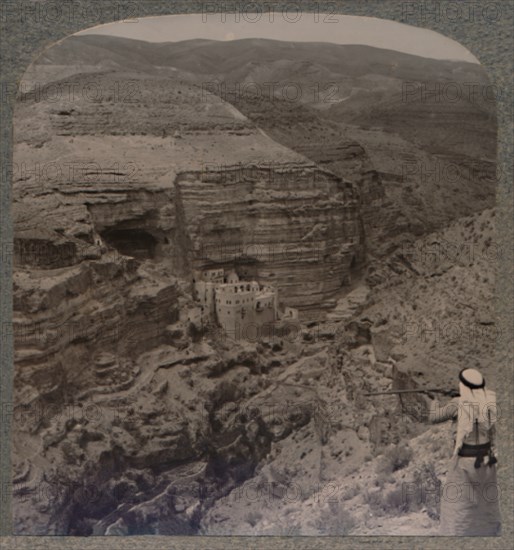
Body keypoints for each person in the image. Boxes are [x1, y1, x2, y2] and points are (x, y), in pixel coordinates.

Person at [428, 368, 501, 535]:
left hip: (465, 463)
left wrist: (434, 400)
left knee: (457, 510)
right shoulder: (491, 400)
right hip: (487, 461)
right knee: (484, 506)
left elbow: (433, 417)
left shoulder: (458, 403)